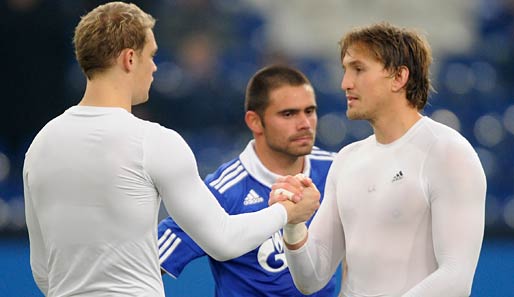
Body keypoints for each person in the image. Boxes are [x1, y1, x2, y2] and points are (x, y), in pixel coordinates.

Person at [22, 3, 320, 297]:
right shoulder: (152, 140)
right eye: (151, 55)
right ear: (129, 59)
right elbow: (224, 240)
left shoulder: (40, 145)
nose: (154, 67)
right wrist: (287, 211)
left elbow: (42, 271)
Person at [275, 22, 487, 297]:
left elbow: (456, 279)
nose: (345, 83)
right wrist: (293, 225)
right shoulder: (346, 160)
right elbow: (311, 278)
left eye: (358, 69)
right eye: (345, 70)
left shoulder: (449, 153)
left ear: (398, 77)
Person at [157, 65, 340, 296]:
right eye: (288, 114)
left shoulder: (338, 170)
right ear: (254, 121)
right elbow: (148, 261)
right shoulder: (222, 192)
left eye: (310, 111)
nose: (305, 123)